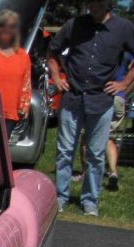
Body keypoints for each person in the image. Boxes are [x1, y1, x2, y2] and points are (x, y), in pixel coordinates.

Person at [49, 0, 134, 215]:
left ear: (108, 5)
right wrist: (56, 77)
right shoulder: (75, 24)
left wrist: (124, 84)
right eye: (90, 4)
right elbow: (53, 51)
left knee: (96, 154)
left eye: (97, 5)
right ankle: (60, 196)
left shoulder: (123, 28)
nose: (92, 8)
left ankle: (90, 201)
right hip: (73, 96)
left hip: (101, 99)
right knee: (65, 150)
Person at [105, 52, 133, 190]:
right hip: (119, 96)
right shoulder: (129, 48)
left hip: (101, 95)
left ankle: (87, 173)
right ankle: (113, 173)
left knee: (88, 136)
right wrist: (124, 94)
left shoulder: (106, 44)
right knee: (109, 138)